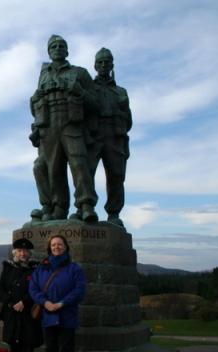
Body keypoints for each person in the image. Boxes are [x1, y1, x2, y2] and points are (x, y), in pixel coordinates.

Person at [29, 35, 99, 222]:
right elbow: (35, 107)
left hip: (72, 123)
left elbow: (96, 103)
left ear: (67, 51)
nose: (58, 48)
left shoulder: (80, 73)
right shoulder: (44, 75)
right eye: (54, 46)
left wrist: (79, 91)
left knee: (79, 163)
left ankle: (86, 205)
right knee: (53, 168)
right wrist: (35, 98)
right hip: (49, 125)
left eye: (61, 46)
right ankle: (58, 207)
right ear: (49, 52)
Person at [29, 234, 85, 352]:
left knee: (67, 351)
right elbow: (33, 288)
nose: (56, 247)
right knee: (51, 349)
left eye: (59, 244)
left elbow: (79, 290)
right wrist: (44, 302)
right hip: (47, 315)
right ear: (49, 248)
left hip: (67, 315)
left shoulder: (75, 268)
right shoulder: (41, 268)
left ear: (66, 247)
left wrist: (61, 303)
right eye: (53, 245)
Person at [88, 47, 132, 227]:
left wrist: (121, 112)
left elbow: (129, 121)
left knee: (116, 175)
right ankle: (86, 208)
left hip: (114, 135)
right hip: (93, 134)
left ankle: (113, 213)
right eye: (100, 62)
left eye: (107, 61)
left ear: (112, 64)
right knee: (86, 173)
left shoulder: (121, 92)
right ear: (95, 65)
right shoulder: (88, 87)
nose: (104, 64)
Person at [0, 238, 43, 352]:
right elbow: (1, 289)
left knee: (27, 346)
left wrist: (24, 302)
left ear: (29, 253)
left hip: (27, 313)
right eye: (19, 251)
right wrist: (11, 303)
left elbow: (38, 288)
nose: (22, 253)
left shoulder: (35, 269)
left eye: (25, 251)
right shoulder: (8, 268)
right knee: (14, 345)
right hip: (12, 313)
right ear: (14, 252)